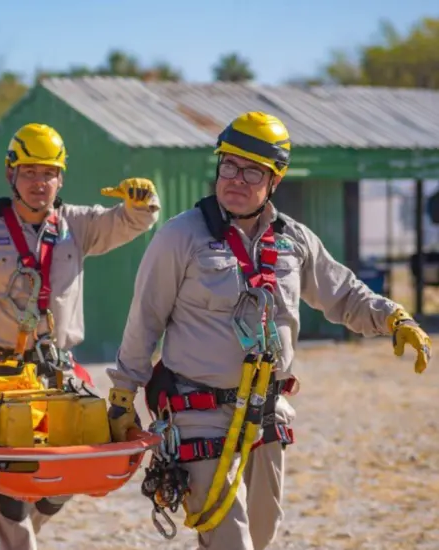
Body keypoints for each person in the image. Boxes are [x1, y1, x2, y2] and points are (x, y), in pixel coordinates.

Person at [106, 111, 432, 550]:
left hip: (266, 414)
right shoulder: (179, 237)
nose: (236, 180)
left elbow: (343, 293)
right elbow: (144, 319)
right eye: (229, 165)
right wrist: (122, 394)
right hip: (198, 413)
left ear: (275, 180)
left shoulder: (294, 240)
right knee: (230, 540)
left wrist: (394, 317)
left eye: (252, 171)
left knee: (261, 533)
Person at [0, 122, 161, 550]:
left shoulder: (77, 225)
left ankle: (8, 534)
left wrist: (143, 201)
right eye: (29, 172)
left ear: (61, 178)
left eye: (48, 173)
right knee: (16, 467)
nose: (39, 182)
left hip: (56, 372)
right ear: (11, 174)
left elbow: (128, 222)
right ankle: (15, 540)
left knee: (70, 468)